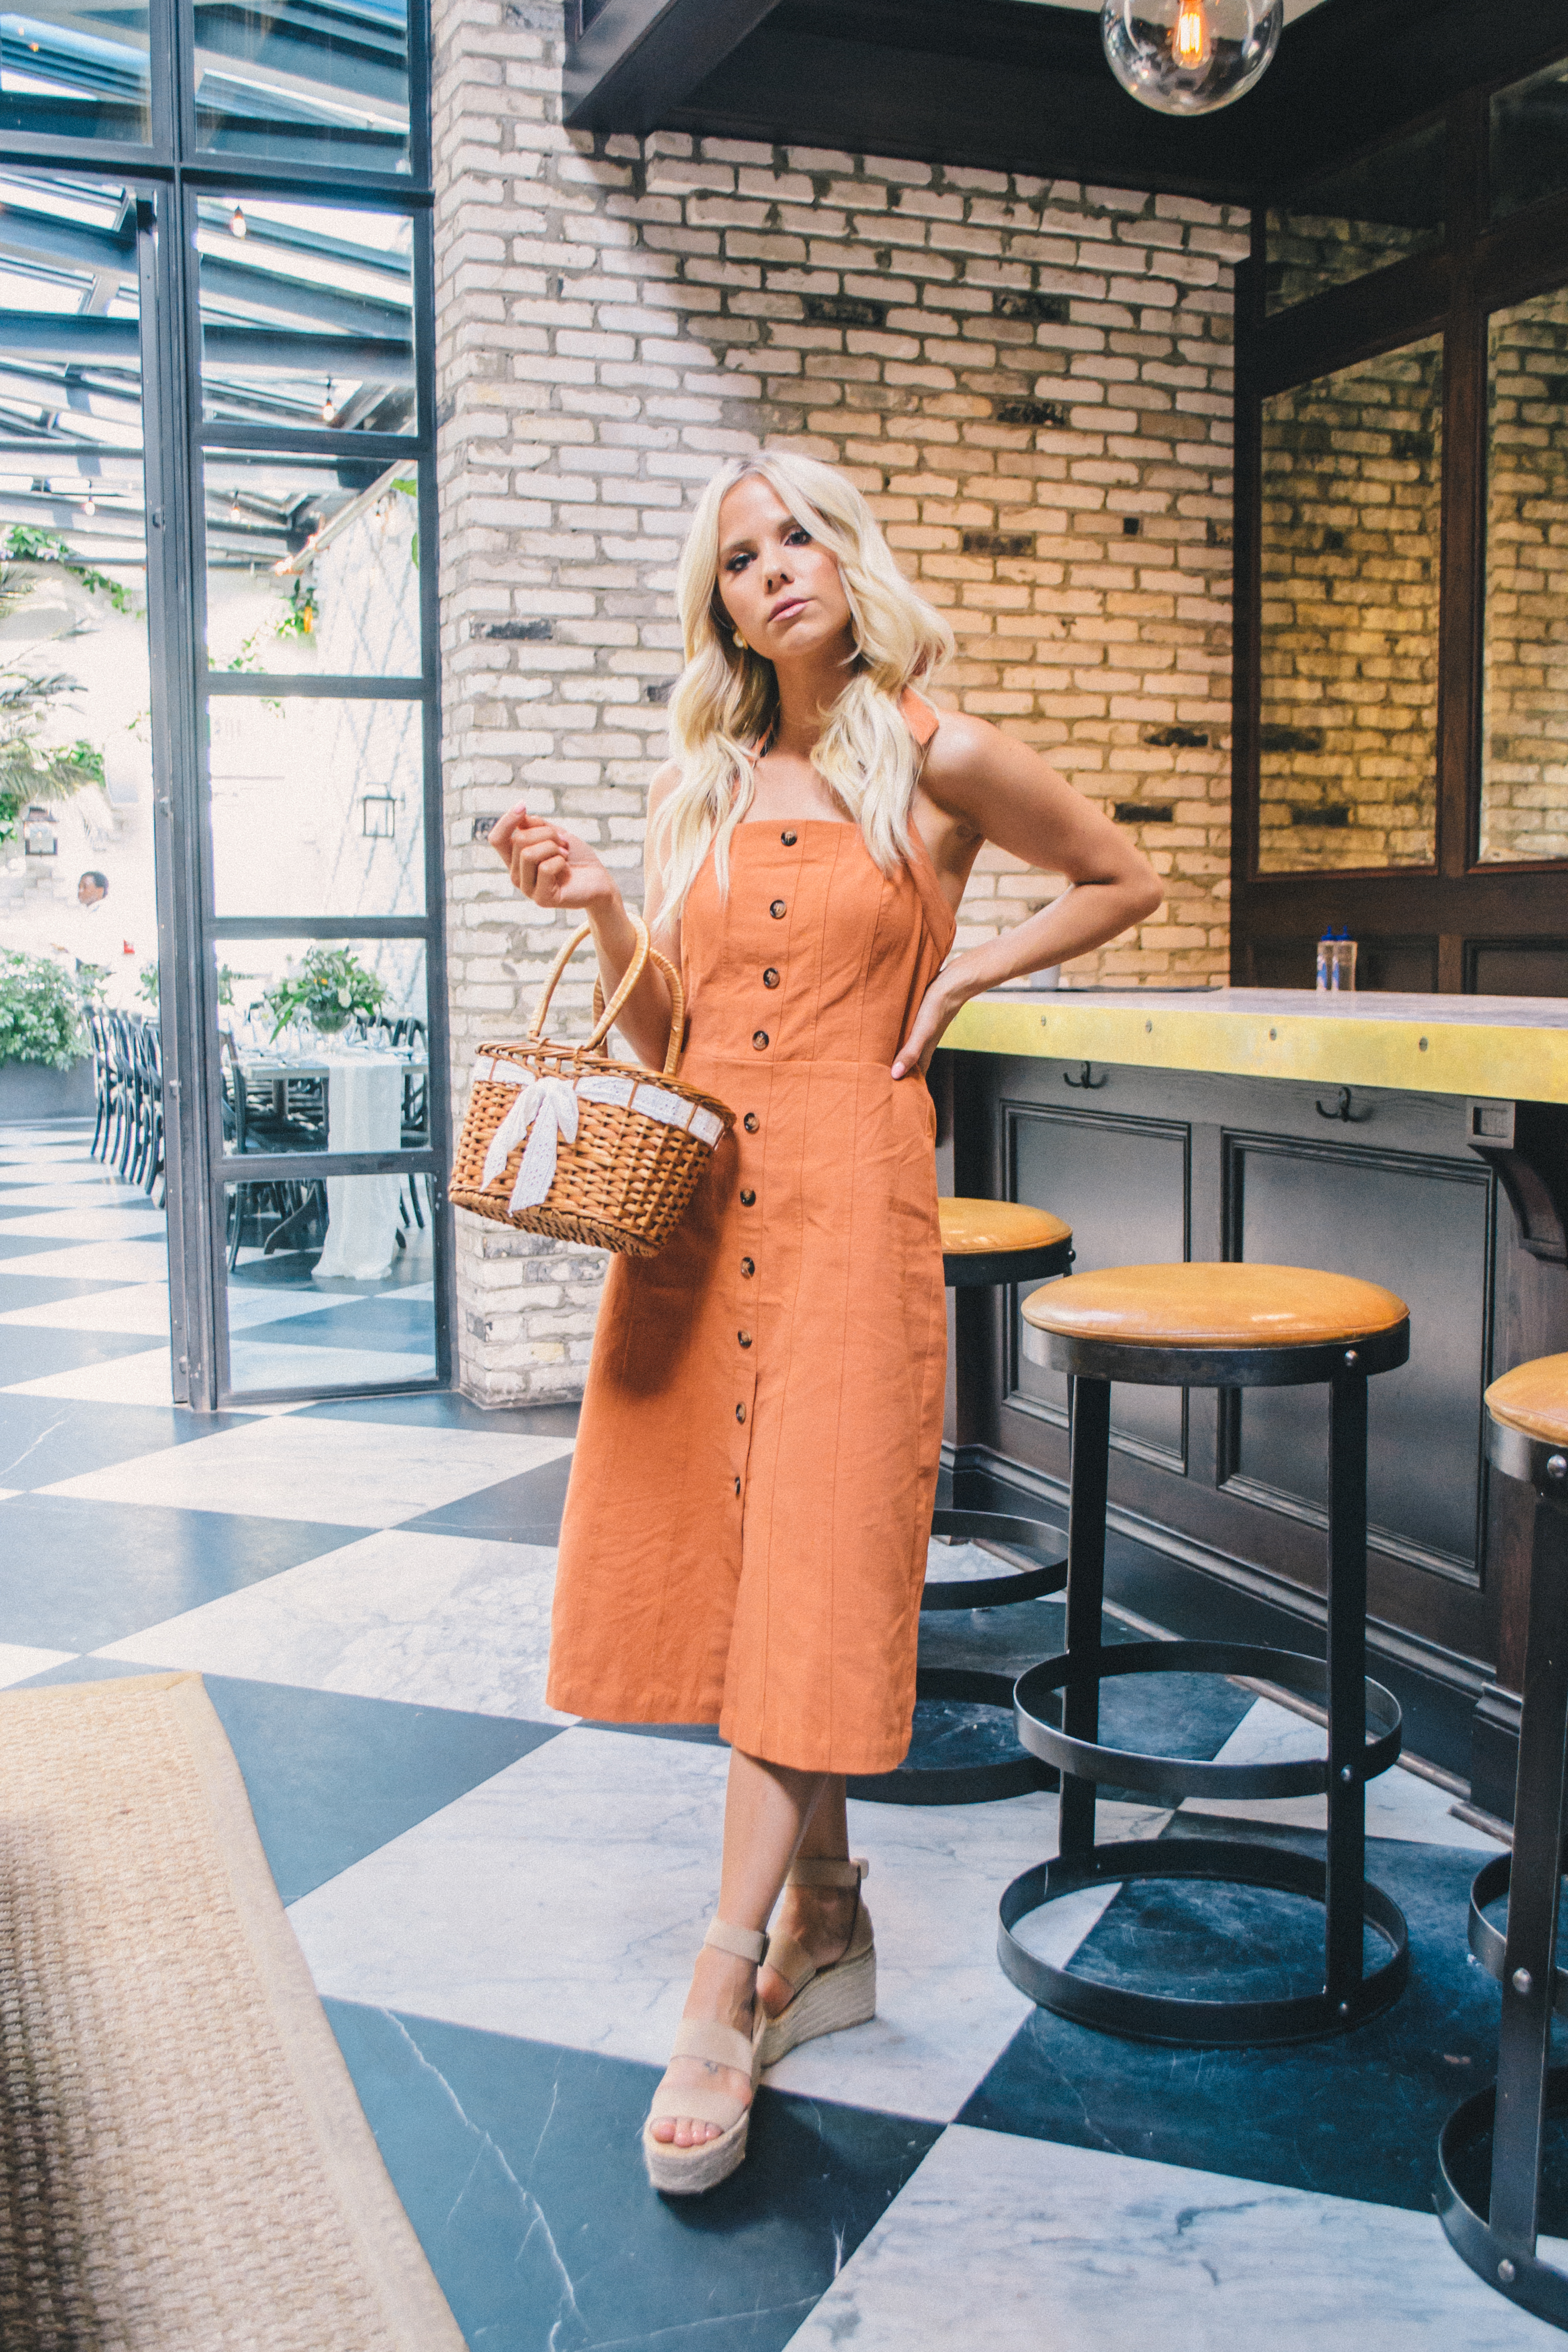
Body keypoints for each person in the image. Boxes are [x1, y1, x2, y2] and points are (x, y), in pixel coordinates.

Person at [489, 451, 1161, 2196]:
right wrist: (604, 910)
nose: (775, 571)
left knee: (817, 1557)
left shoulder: (935, 751)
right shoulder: (701, 777)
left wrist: (964, 971)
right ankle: (834, 1919)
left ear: (850, 559)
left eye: (800, 538)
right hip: (705, 1213)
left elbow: (1121, 874)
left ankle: (726, 1980)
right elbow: (665, 1041)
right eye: (741, 558)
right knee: (734, 1572)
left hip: (860, 1202)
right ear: (719, 605)